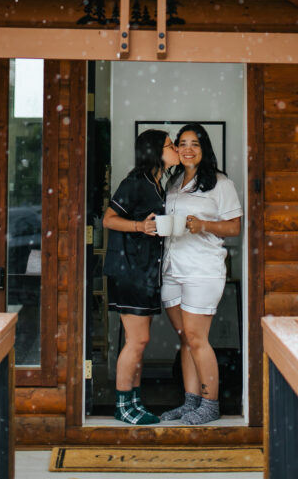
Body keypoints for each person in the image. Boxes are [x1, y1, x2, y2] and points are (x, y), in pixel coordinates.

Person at [160, 123, 243, 425]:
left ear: (204, 148)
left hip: (202, 270)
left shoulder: (220, 183)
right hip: (171, 268)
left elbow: (234, 227)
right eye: (182, 143)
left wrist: (203, 225)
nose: (187, 149)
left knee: (197, 338)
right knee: (185, 338)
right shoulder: (173, 182)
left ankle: (210, 404)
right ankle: (190, 402)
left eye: (195, 143)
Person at [102, 128, 180, 425]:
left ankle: (134, 401)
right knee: (138, 340)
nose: (175, 150)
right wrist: (139, 227)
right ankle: (122, 406)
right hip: (129, 271)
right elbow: (109, 219)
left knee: (138, 342)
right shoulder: (134, 183)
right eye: (170, 145)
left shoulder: (159, 184)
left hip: (146, 271)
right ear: (154, 151)